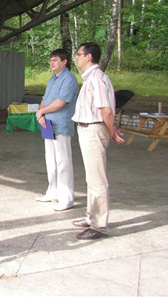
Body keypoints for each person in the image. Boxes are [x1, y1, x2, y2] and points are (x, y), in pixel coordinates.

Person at [71, 42, 124, 240]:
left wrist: (111, 131)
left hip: (93, 129)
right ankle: (90, 217)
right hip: (88, 129)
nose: (76, 57)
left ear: (89, 57)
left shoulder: (96, 79)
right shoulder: (90, 78)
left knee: (97, 179)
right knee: (91, 177)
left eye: (79, 54)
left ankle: (99, 225)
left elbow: (106, 110)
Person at [35, 49, 78, 211]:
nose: (51, 63)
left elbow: (61, 103)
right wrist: (41, 113)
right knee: (50, 161)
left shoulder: (69, 79)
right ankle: (52, 192)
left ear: (64, 61)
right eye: (51, 60)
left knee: (63, 162)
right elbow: (44, 100)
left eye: (55, 60)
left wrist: (41, 112)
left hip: (61, 125)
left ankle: (66, 198)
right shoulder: (52, 79)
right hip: (48, 124)